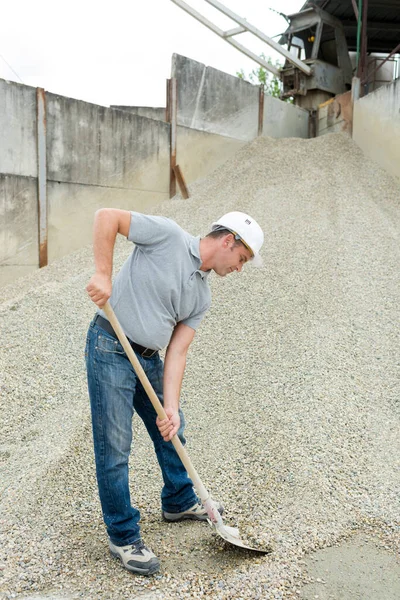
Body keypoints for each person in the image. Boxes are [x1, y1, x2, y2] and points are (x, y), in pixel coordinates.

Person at [85, 208, 264, 575]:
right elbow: (107, 217)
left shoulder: (202, 296)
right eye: (242, 259)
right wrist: (103, 273)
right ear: (228, 241)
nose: (239, 268)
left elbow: (178, 351)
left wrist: (172, 406)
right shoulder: (167, 235)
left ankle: (178, 500)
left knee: (171, 429)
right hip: (110, 346)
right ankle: (122, 535)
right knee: (116, 444)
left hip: (149, 359)